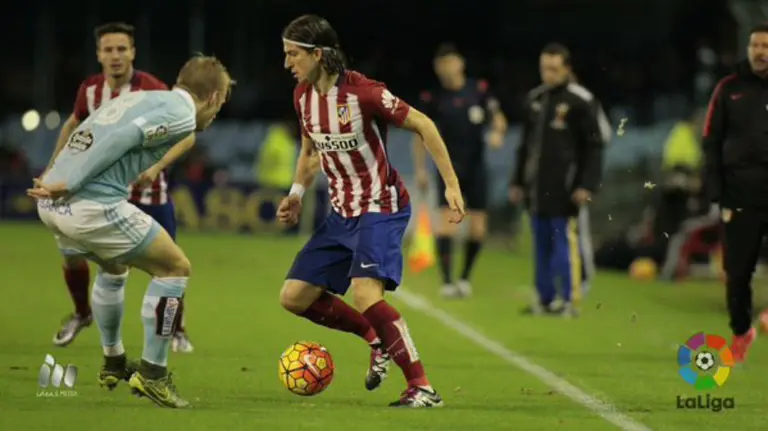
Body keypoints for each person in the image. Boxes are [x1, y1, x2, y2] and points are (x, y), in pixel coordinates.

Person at [277, 14, 464, 408]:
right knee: (294, 297)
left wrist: (451, 183)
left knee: (366, 294)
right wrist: (295, 192)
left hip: (381, 206)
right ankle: (374, 338)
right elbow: (310, 151)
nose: (287, 63)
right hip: (341, 213)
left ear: (318, 54)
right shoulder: (302, 98)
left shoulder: (364, 93)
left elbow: (424, 124)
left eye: (293, 54)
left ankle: (422, 386)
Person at [29, 55, 233, 408]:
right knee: (175, 268)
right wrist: (71, 181)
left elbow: (88, 129)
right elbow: (126, 135)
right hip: (89, 205)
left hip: (54, 206)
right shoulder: (182, 114)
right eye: (221, 104)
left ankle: (114, 361)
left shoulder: (146, 97)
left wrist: (56, 176)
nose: (215, 115)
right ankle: (154, 373)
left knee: (114, 267)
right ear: (213, 97)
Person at [43, 22, 194, 352]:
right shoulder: (90, 90)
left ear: (133, 53)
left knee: (172, 266)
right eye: (108, 49)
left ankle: (175, 329)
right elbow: (74, 123)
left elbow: (188, 134)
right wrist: (55, 168)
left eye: (122, 49)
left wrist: (155, 167)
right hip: (101, 195)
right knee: (73, 257)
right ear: (98, 54)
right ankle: (83, 314)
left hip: (149, 195)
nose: (115, 56)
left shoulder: (153, 89)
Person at [509, 43, 610, 317]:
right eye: (544, 68)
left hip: (566, 189)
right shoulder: (535, 99)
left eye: (554, 69)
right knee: (540, 245)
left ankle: (570, 299)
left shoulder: (581, 100)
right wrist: (517, 181)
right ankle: (544, 299)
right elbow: (525, 146)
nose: (548, 74)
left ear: (567, 69)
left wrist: (586, 184)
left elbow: (596, 145)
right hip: (537, 188)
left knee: (566, 245)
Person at [413, 43, 507, 299]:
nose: (445, 68)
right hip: (447, 170)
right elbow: (419, 134)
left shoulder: (479, 91)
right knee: (447, 225)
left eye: (449, 62)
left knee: (478, 228)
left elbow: (498, 118)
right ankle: (446, 281)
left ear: (460, 63)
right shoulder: (432, 98)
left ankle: (464, 279)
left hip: (476, 167)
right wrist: (421, 168)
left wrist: (498, 133)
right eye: (440, 64)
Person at [702, 23, 768, 362]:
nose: (760, 51)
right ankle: (742, 331)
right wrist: (715, 189)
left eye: (766, 46)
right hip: (740, 193)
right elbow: (711, 139)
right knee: (737, 271)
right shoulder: (728, 89)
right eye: (755, 45)